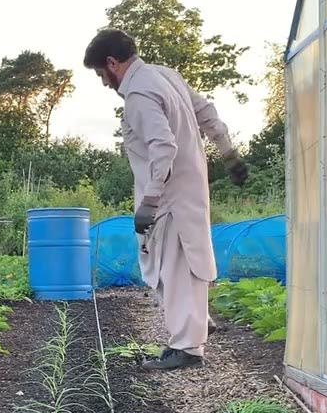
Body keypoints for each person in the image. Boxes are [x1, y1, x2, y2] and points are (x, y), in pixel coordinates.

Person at [83, 28, 248, 370]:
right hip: (190, 187)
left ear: (113, 63)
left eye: (101, 74)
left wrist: (150, 201)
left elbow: (163, 146)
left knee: (170, 266)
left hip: (168, 196)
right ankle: (198, 322)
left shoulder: (139, 93)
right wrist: (229, 153)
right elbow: (207, 112)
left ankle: (187, 349)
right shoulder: (165, 75)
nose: (103, 83)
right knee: (183, 259)